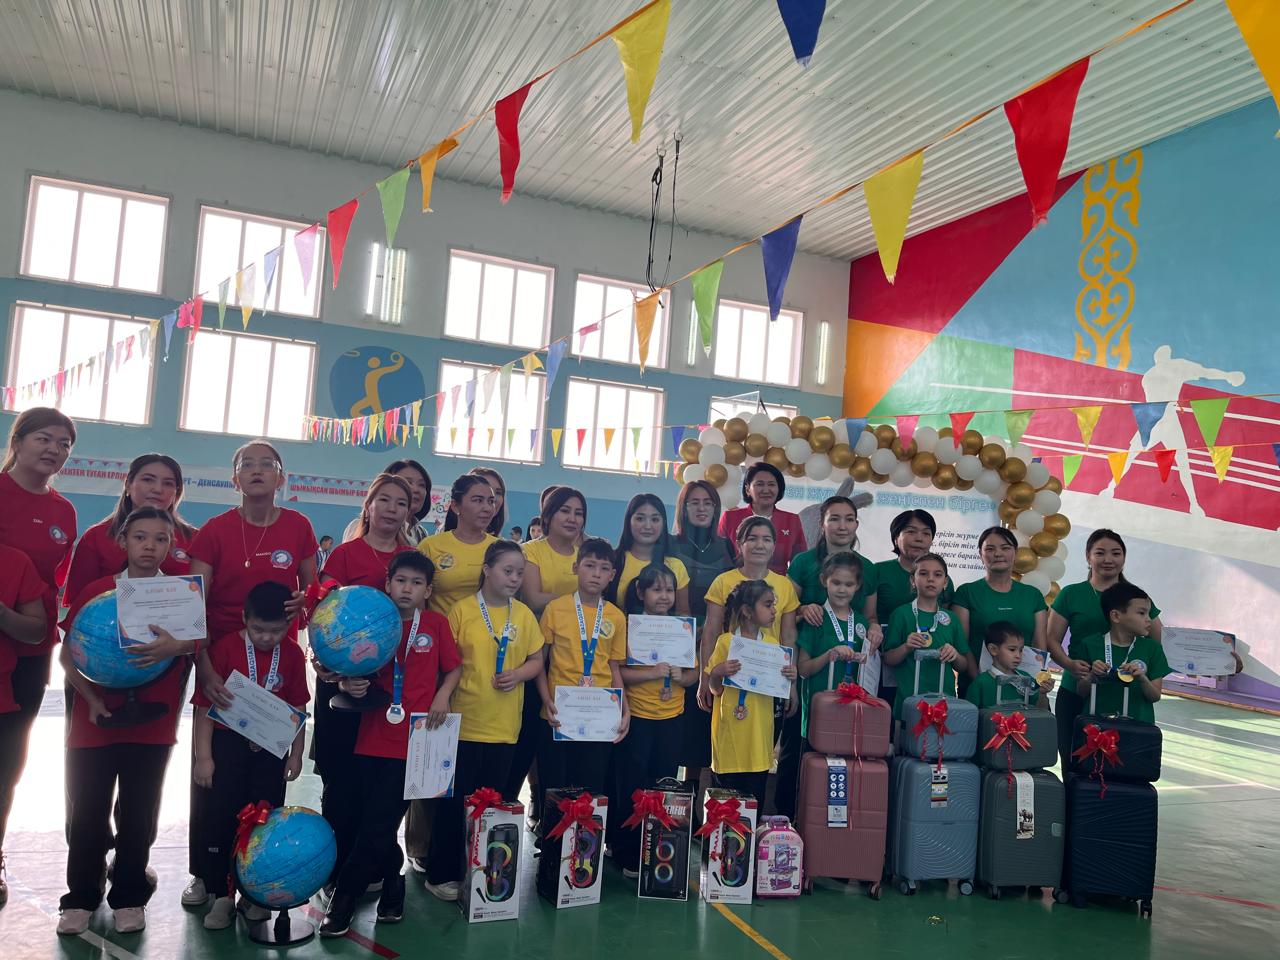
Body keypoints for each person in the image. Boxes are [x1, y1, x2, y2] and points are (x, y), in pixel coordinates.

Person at [181, 440, 317, 906]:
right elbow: (192, 603)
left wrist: (306, 602)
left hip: (276, 659)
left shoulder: (298, 526)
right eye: (247, 465)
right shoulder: (215, 530)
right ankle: (206, 875)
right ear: (234, 478)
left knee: (263, 781)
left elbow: (313, 593)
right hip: (223, 656)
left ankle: (255, 875)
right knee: (214, 779)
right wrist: (204, 666)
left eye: (267, 465)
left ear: (281, 477)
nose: (257, 471)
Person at [56, 507, 194, 935]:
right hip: (94, 721)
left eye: (160, 539)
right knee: (87, 811)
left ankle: (130, 895)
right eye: (140, 537)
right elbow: (67, 656)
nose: (150, 546)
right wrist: (93, 700)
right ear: (123, 541)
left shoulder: (178, 594)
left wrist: (174, 646)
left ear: (170, 546)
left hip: (153, 722)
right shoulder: (97, 591)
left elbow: (197, 643)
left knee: (139, 812)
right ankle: (80, 897)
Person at [320, 552, 462, 935]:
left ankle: (344, 898)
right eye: (400, 581)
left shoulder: (435, 624)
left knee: (380, 820)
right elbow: (347, 669)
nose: (407, 589)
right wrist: (348, 683)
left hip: (416, 741)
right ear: (387, 584)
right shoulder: (373, 624)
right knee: (371, 819)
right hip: (370, 737)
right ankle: (394, 883)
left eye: (416, 583)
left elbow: (453, 667)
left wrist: (442, 695)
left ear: (428, 591)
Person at [310, 475, 415, 895]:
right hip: (339, 683)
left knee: (380, 782)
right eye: (383, 500)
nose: (391, 509)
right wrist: (328, 665)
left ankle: (373, 864)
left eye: (401, 503)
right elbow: (321, 614)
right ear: (368, 506)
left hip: (389, 690)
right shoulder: (344, 555)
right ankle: (335, 870)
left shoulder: (411, 559)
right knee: (340, 780)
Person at [423, 541, 544, 901]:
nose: (514, 578)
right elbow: (448, 663)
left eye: (519, 573)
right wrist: (443, 696)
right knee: (453, 804)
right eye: (507, 571)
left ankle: (484, 874)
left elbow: (537, 660)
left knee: (491, 806)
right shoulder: (461, 611)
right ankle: (441, 873)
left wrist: (519, 673)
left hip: (504, 727)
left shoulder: (524, 615)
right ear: (487, 570)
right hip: (463, 723)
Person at [191, 582, 310, 930]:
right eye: (258, 629)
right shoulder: (225, 648)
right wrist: (203, 757)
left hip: (271, 752)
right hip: (226, 748)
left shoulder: (292, 654)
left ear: (289, 625)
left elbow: (298, 708)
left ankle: (254, 895)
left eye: (277, 631)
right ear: (244, 618)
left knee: (263, 820)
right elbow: (204, 707)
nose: (267, 638)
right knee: (221, 819)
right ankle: (222, 896)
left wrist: (296, 755)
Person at [0, 407, 77, 906]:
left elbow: (58, 583)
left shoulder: (63, 512)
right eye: (45, 438)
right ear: (19, 441)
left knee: (8, 756)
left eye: (64, 444)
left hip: (31, 647)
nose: (54, 450)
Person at [698, 516, 800, 817]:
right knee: (726, 773)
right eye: (752, 538)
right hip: (729, 698)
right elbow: (710, 630)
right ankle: (720, 838)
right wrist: (707, 677)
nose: (760, 544)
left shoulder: (784, 585)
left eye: (767, 539)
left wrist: (791, 683)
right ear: (739, 544)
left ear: (775, 545)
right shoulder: (723, 583)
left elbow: (789, 636)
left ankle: (749, 839)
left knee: (758, 766)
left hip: (765, 695)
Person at [1045, 529, 1165, 770]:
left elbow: (1158, 640)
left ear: (1124, 558)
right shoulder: (1072, 594)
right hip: (1078, 689)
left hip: (1124, 693)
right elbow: (1051, 639)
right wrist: (1070, 665)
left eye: (1116, 553)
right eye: (1100, 553)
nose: (1108, 559)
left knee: (1123, 767)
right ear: (1088, 557)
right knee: (1074, 760)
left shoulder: (1136, 597)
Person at [536, 538, 629, 813]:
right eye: (590, 565)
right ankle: (552, 840)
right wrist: (546, 700)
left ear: (612, 575)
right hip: (558, 713)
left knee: (591, 789)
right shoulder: (556, 609)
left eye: (604, 568)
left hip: (599, 716)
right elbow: (539, 662)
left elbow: (614, 668)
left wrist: (625, 710)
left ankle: (586, 842)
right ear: (576, 568)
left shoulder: (616, 616)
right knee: (555, 788)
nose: (596, 573)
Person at [614, 564, 695, 877]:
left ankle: (658, 852)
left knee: (663, 786)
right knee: (631, 786)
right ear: (640, 592)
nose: (664, 596)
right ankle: (626, 853)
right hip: (638, 716)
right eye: (656, 589)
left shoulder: (682, 628)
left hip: (671, 718)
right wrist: (651, 673)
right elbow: (618, 672)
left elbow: (693, 674)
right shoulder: (631, 627)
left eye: (669, 590)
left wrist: (681, 677)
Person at [507, 486, 586, 809]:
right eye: (565, 510)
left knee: (565, 741)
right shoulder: (531, 551)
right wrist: (580, 602)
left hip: (577, 659)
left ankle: (556, 813)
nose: (572, 518)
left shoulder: (587, 553)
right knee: (528, 737)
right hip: (535, 655)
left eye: (578, 513)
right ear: (548, 515)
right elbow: (533, 598)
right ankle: (507, 806)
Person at [668, 481, 735, 792]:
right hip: (673, 645)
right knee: (671, 720)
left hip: (713, 645)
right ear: (683, 508)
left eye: (707, 502)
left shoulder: (726, 547)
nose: (701, 508)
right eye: (693, 502)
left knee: (700, 721)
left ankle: (692, 793)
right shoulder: (669, 544)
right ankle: (665, 789)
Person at [61, 454, 199, 603]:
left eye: (168, 483)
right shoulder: (96, 537)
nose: (158, 489)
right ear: (128, 485)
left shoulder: (196, 540)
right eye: (148, 480)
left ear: (176, 492)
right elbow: (80, 603)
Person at [706, 580, 797, 802]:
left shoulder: (773, 645)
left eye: (774, 604)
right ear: (747, 611)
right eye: (767, 604)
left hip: (759, 738)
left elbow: (779, 689)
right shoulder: (726, 642)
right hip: (730, 738)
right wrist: (717, 672)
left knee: (754, 802)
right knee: (724, 806)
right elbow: (715, 690)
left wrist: (790, 677)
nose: (774, 610)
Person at [873, 510, 954, 707]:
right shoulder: (878, 571)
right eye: (911, 532)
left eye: (926, 533)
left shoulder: (944, 581)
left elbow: (946, 621)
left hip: (928, 667)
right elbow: (868, 614)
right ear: (896, 538)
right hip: (885, 659)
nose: (919, 538)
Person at [952, 526, 1047, 694]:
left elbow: (1039, 645)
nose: (998, 554)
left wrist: (1035, 686)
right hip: (978, 686)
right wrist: (982, 681)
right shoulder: (966, 592)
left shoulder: (1033, 595)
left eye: (1005, 548)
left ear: (1016, 553)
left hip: (1023, 690)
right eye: (990, 549)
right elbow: (962, 644)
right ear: (980, 555)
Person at [795, 552, 879, 742]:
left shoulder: (862, 623)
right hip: (819, 712)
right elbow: (803, 669)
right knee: (818, 757)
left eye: (849, 585)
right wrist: (829, 655)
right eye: (836, 583)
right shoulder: (816, 618)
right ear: (824, 580)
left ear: (858, 585)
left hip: (852, 713)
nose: (842, 590)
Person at [882, 553, 969, 722]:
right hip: (909, 701)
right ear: (912, 580)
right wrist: (906, 647)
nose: (930, 579)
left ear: (945, 582)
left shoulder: (951, 618)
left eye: (937, 575)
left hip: (944, 703)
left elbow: (963, 665)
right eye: (923, 573)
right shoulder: (901, 614)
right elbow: (888, 659)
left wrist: (955, 655)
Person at [1074, 582, 1170, 723]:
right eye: (1141, 613)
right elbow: (1081, 691)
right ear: (1116, 616)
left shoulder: (1152, 648)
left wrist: (1142, 679)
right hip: (1096, 728)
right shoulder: (1090, 645)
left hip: (1139, 727)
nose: (1149, 619)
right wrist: (1092, 676)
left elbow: (1155, 696)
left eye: (1148, 614)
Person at [788, 496, 880, 643]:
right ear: (821, 524)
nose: (842, 527)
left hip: (852, 652)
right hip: (808, 649)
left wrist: (874, 627)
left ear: (856, 525)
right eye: (834, 519)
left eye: (849, 520)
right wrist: (803, 609)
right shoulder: (802, 562)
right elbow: (786, 610)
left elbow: (870, 617)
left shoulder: (868, 567)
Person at [419, 474, 498, 617]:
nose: (487, 508)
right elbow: (416, 599)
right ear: (455, 506)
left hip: (488, 630)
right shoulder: (430, 546)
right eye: (478, 500)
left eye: (491, 501)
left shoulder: (498, 549)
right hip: (441, 629)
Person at [606, 494, 691, 615]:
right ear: (629, 521)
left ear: (663, 523)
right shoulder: (612, 561)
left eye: (655, 520)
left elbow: (683, 615)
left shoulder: (675, 566)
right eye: (640, 519)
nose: (647, 526)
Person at [718, 463, 805, 573]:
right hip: (736, 582)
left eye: (771, 484)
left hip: (778, 582)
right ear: (747, 489)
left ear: (779, 488)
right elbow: (719, 560)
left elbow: (800, 564)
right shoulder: (730, 518)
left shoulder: (792, 520)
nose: (766, 490)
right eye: (760, 484)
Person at [342, 459, 434, 545]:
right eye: (407, 482)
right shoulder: (357, 528)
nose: (416, 489)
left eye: (422, 485)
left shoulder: (422, 533)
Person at [965, 622, 1053, 711]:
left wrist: (1042, 694)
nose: (1018, 655)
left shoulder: (1027, 679)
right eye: (1012, 649)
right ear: (993, 649)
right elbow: (969, 716)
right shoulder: (980, 683)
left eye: (1021, 650)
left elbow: (1041, 712)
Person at [449, 467, 506, 539]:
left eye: (498, 492)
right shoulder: (439, 541)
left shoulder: (500, 544)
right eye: (478, 499)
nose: (492, 497)